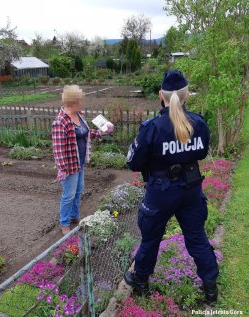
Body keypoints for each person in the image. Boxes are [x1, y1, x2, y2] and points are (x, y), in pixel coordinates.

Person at [124, 69, 219, 304]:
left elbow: (132, 162)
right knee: (196, 236)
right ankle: (210, 289)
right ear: (186, 96)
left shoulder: (152, 127)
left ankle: (141, 283)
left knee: (151, 238)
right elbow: (203, 151)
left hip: (160, 191)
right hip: (190, 189)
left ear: (161, 96)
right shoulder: (198, 123)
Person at [52, 85, 114, 235]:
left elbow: (85, 133)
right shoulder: (61, 122)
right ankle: (64, 223)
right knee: (69, 194)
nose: (82, 103)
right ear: (73, 102)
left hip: (80, 161)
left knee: (78, 190)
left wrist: (101, 132)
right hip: (69, 165)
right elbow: (58, 148)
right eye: (80, 101)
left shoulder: (78, 115)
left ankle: (74, 216)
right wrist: (62, 169)